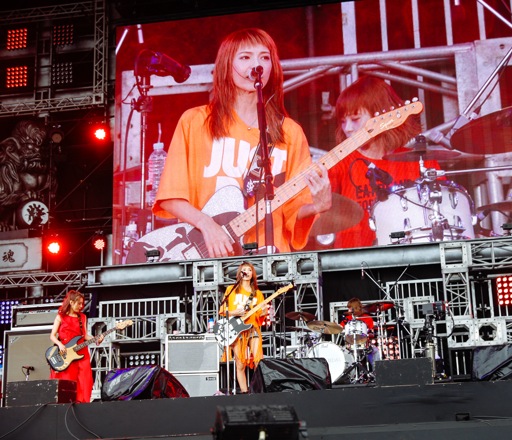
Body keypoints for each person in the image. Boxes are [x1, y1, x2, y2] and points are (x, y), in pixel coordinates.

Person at [153, 28, 331, 258]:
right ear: (227, 65)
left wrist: (318, 206)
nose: (256, 65)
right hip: (211, 258)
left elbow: (293, 210)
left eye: (264, 58)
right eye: (245, 57)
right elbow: (170, 197)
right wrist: (207, 225)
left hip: (271, 258)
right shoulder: (195, 122)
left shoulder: (290, 133)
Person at [327, 76, 443, 249]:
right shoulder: (339, 164)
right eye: (343, 121)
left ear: (381, 116)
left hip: (415, 253)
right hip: (355, 258)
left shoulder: (419, 161)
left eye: (355, 119)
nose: (347, 128)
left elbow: (444, 212)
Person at [218, 261, 267, 393]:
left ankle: (259, 391)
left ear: (253, 274)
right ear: (240, 273)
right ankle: (245, 392)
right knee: (240, 364)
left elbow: (261, 316)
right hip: (237, 329)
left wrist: (263, 312)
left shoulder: (257, 294)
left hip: (253, 327)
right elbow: (222, 310)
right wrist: (235, 312)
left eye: (250, 270)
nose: (247, 272)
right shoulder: (231, 290)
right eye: (244, 269)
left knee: (258, 361)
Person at [49, 290, 103, 403]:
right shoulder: (60, 316)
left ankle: (82, 404)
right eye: (79, 303)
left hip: (82, 352)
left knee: (85, 380)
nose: (81, 306)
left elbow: (84, 336)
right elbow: (52, 336)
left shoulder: (82, 317)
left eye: (82, 303)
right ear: (71, 302)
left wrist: (96, 339)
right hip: (66, 353)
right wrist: (60, 345)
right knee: (68, 379)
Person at [339, 297, 380, 372]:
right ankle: (348, 374)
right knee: (341, 353)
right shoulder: (347, 319)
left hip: (365, 344)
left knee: (376, 351)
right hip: (350, 345)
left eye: (349, 308)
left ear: (355, 308)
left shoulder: (367, 318)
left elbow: (372, 334)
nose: (348, 310)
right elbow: (339, 329)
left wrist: (368, 334)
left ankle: (377, 373)